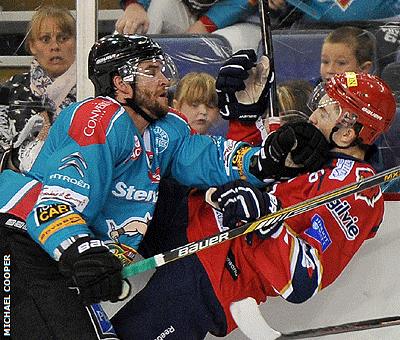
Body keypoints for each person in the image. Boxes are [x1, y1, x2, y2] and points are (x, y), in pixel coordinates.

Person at [0, 33, 327, 339]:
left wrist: (269, 159)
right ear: (121, 84)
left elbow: (208, 157)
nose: (164, 80)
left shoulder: (163, 129)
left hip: (53, 254)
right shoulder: (98, 118)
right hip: (22, 239)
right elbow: (53, 204)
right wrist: (78, 250)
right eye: (150, 71)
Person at [111, 71, 396, 339]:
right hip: (190, 215)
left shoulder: (358, 192)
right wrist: (243, 120)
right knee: (132, 166)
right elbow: (246, 172)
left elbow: (304, 279)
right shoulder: (312, 145)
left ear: (347, 133)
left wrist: (266, 218)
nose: (312, 117)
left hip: (216, 272)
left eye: (323, 112)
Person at [0, 5, 76, 173]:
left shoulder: (92, 88)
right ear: (32, 45)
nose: (55, 46)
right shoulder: (12, 88)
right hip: (19, 183)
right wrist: (16, 161)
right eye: (45, 39)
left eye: (63, 38)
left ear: (77, 42)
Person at [116, 0, 262, 51]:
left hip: (244, 22)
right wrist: (135, 5)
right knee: (159, 7)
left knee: (222, 42)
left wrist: (206, 24)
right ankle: (132, 73)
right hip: (192, 16)